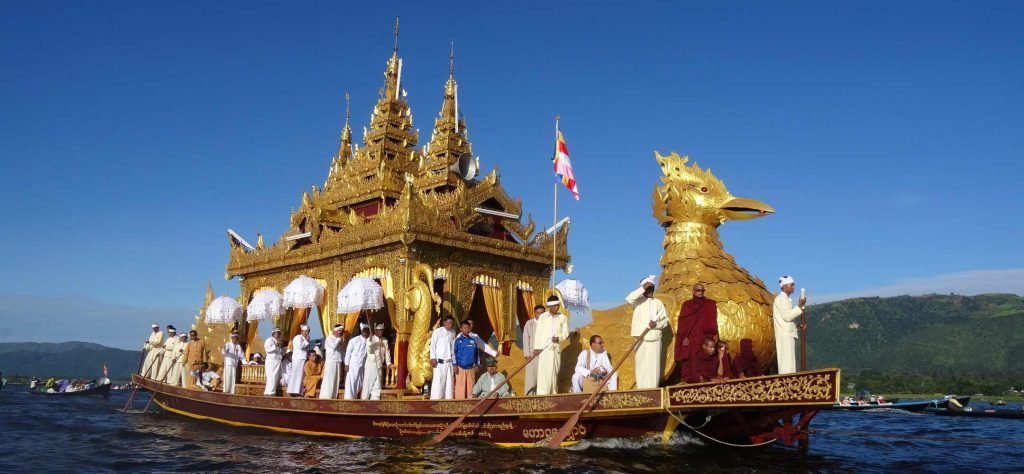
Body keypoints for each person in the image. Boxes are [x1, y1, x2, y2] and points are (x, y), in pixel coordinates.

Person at [625, 276, 668, 389]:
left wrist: (656, 325)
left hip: (654, 337)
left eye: (652, 288)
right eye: (648, 289)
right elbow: (629, 298)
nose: (651, 291)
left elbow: (665, 321)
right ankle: (641, 390)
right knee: (641, 364)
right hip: (640, 337)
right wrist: (644, 287)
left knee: (653, 365)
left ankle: (653, 390)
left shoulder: (658, 303)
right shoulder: (637, 302)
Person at [673, 284, 718, 377]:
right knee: (692, 356)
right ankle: (693, 378)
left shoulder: (709, 304)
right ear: (693, 291)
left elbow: (714, 320)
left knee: (706, 354)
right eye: (698, 290)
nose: (700, 292)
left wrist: (715, 333)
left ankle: (707, 376)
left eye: (702, 290)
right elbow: (683, 323)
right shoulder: (687, 305)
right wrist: (684, 337)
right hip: (692, 336)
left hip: (705, 335)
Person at [534, 296, 569, 395]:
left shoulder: (563, 317)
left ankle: (553, 394)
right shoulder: (543, 317)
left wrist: (558, 338)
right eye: (554, 306)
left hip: (555, 348)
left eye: (558, 305)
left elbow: (565, 333)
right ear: (549, 306)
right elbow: (538, 333)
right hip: (544, 349)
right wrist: (536, 348)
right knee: (544, 373)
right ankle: (542, 395)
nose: (557, 307)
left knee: (554, 372)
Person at [773, 276, 806, 374]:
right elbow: (787, 317)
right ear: (784, 286)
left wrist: (797, 327)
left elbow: (785, 320)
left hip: (787, 334)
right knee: (786, 365)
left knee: (789, 363)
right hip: (785, 335)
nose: (793, 287)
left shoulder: (785, 299)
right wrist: (799, 306)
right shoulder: (781, 299)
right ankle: (786, 386)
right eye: (791, 285)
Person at [429, 316, 457, 400]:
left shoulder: (453, 333)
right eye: (448, 322)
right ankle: (435, 400)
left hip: (449, 362)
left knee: (449, 383)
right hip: (439, 362)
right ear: (444, 322)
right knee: (439, 383)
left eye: (451, 323)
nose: (450, 324)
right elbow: (433, 345)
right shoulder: (438, 332)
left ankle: (448, 401)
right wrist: (433, 358)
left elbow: (454, 348)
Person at [453, 321, 482, 399]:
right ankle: (459, 406)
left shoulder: (473, 340)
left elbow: (477, 354)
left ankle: (471, 405)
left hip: (471, 368)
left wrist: (477, 364)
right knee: (460, 388)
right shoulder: (457, 341)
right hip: (460, 368)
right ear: (461, 329)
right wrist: (455, 365)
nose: (467, 330)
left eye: (468, 328)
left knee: (471, 388)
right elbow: (454, 353)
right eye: (465, 328)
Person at [362, 324, 391, 400]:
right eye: (378, 330)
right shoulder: (370, 339)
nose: (380, 332)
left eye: (381, 330)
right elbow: (369, 350)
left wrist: (388, 363)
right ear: (375, 331)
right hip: (371, 365)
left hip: (379, 365)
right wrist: (371, 342)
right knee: (368, 384)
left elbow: (387, 352)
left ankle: (374, 402)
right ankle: (364, 400)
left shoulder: (385, 340)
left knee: (377, 385)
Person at [521, 304, 543, 396]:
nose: (540, 315)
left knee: (542, 379)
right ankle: (529, 398)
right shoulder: (529, 323)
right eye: (538, 313)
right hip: (532, 356)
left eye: (542, 313)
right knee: (531, 380)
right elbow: (526, 339)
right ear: (534, 313)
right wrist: (527, 355)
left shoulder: (547, 324)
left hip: (544, 356)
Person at [344, 323, 370, 400]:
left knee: (360, 382)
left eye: (367, 331)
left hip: (363, 365)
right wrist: (347, 364)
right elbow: (348, 352)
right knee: (352, 381)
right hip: (353, 364)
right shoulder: (354, 340)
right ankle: (349, 399)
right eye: (364, 331)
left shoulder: (369, 341)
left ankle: (356, 397)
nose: (365, 333)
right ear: (361, 331)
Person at [320, 325, 346, 399]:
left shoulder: (340, 340)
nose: (340, 332)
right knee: (329, 379)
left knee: (336, 380)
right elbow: (333, 346)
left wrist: (346, 362)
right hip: (331, 361)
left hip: (338, 361)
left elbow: (342, 352)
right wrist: (339, 339)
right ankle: (326, 396)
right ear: (334, 331)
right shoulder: (329, 338)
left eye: (341, 331)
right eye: (339, 330)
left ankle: (333, 396)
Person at [287, 325, 311, 396]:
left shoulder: (304, 338)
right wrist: (306, 341)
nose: (307, 333)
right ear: (302, 331)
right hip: (298, 358)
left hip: (303, 358)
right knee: (297, 375)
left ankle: (298, 391)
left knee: (301, 376)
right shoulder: (298, 337)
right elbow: (300, 346)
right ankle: (294, 391)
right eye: (305, 331)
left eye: (308, 331)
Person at [263, 328, 284, 396]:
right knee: (271, 376)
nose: (278, 334)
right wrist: (275, 346)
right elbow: (267, 349)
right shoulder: (269, 340)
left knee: (274, 377)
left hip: (277, 361)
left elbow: (279, 352)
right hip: (272, 361)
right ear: (273, 334)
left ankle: (268, 392)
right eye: (277, 333)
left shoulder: (278, 341)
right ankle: (271, 392)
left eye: (279, 333)